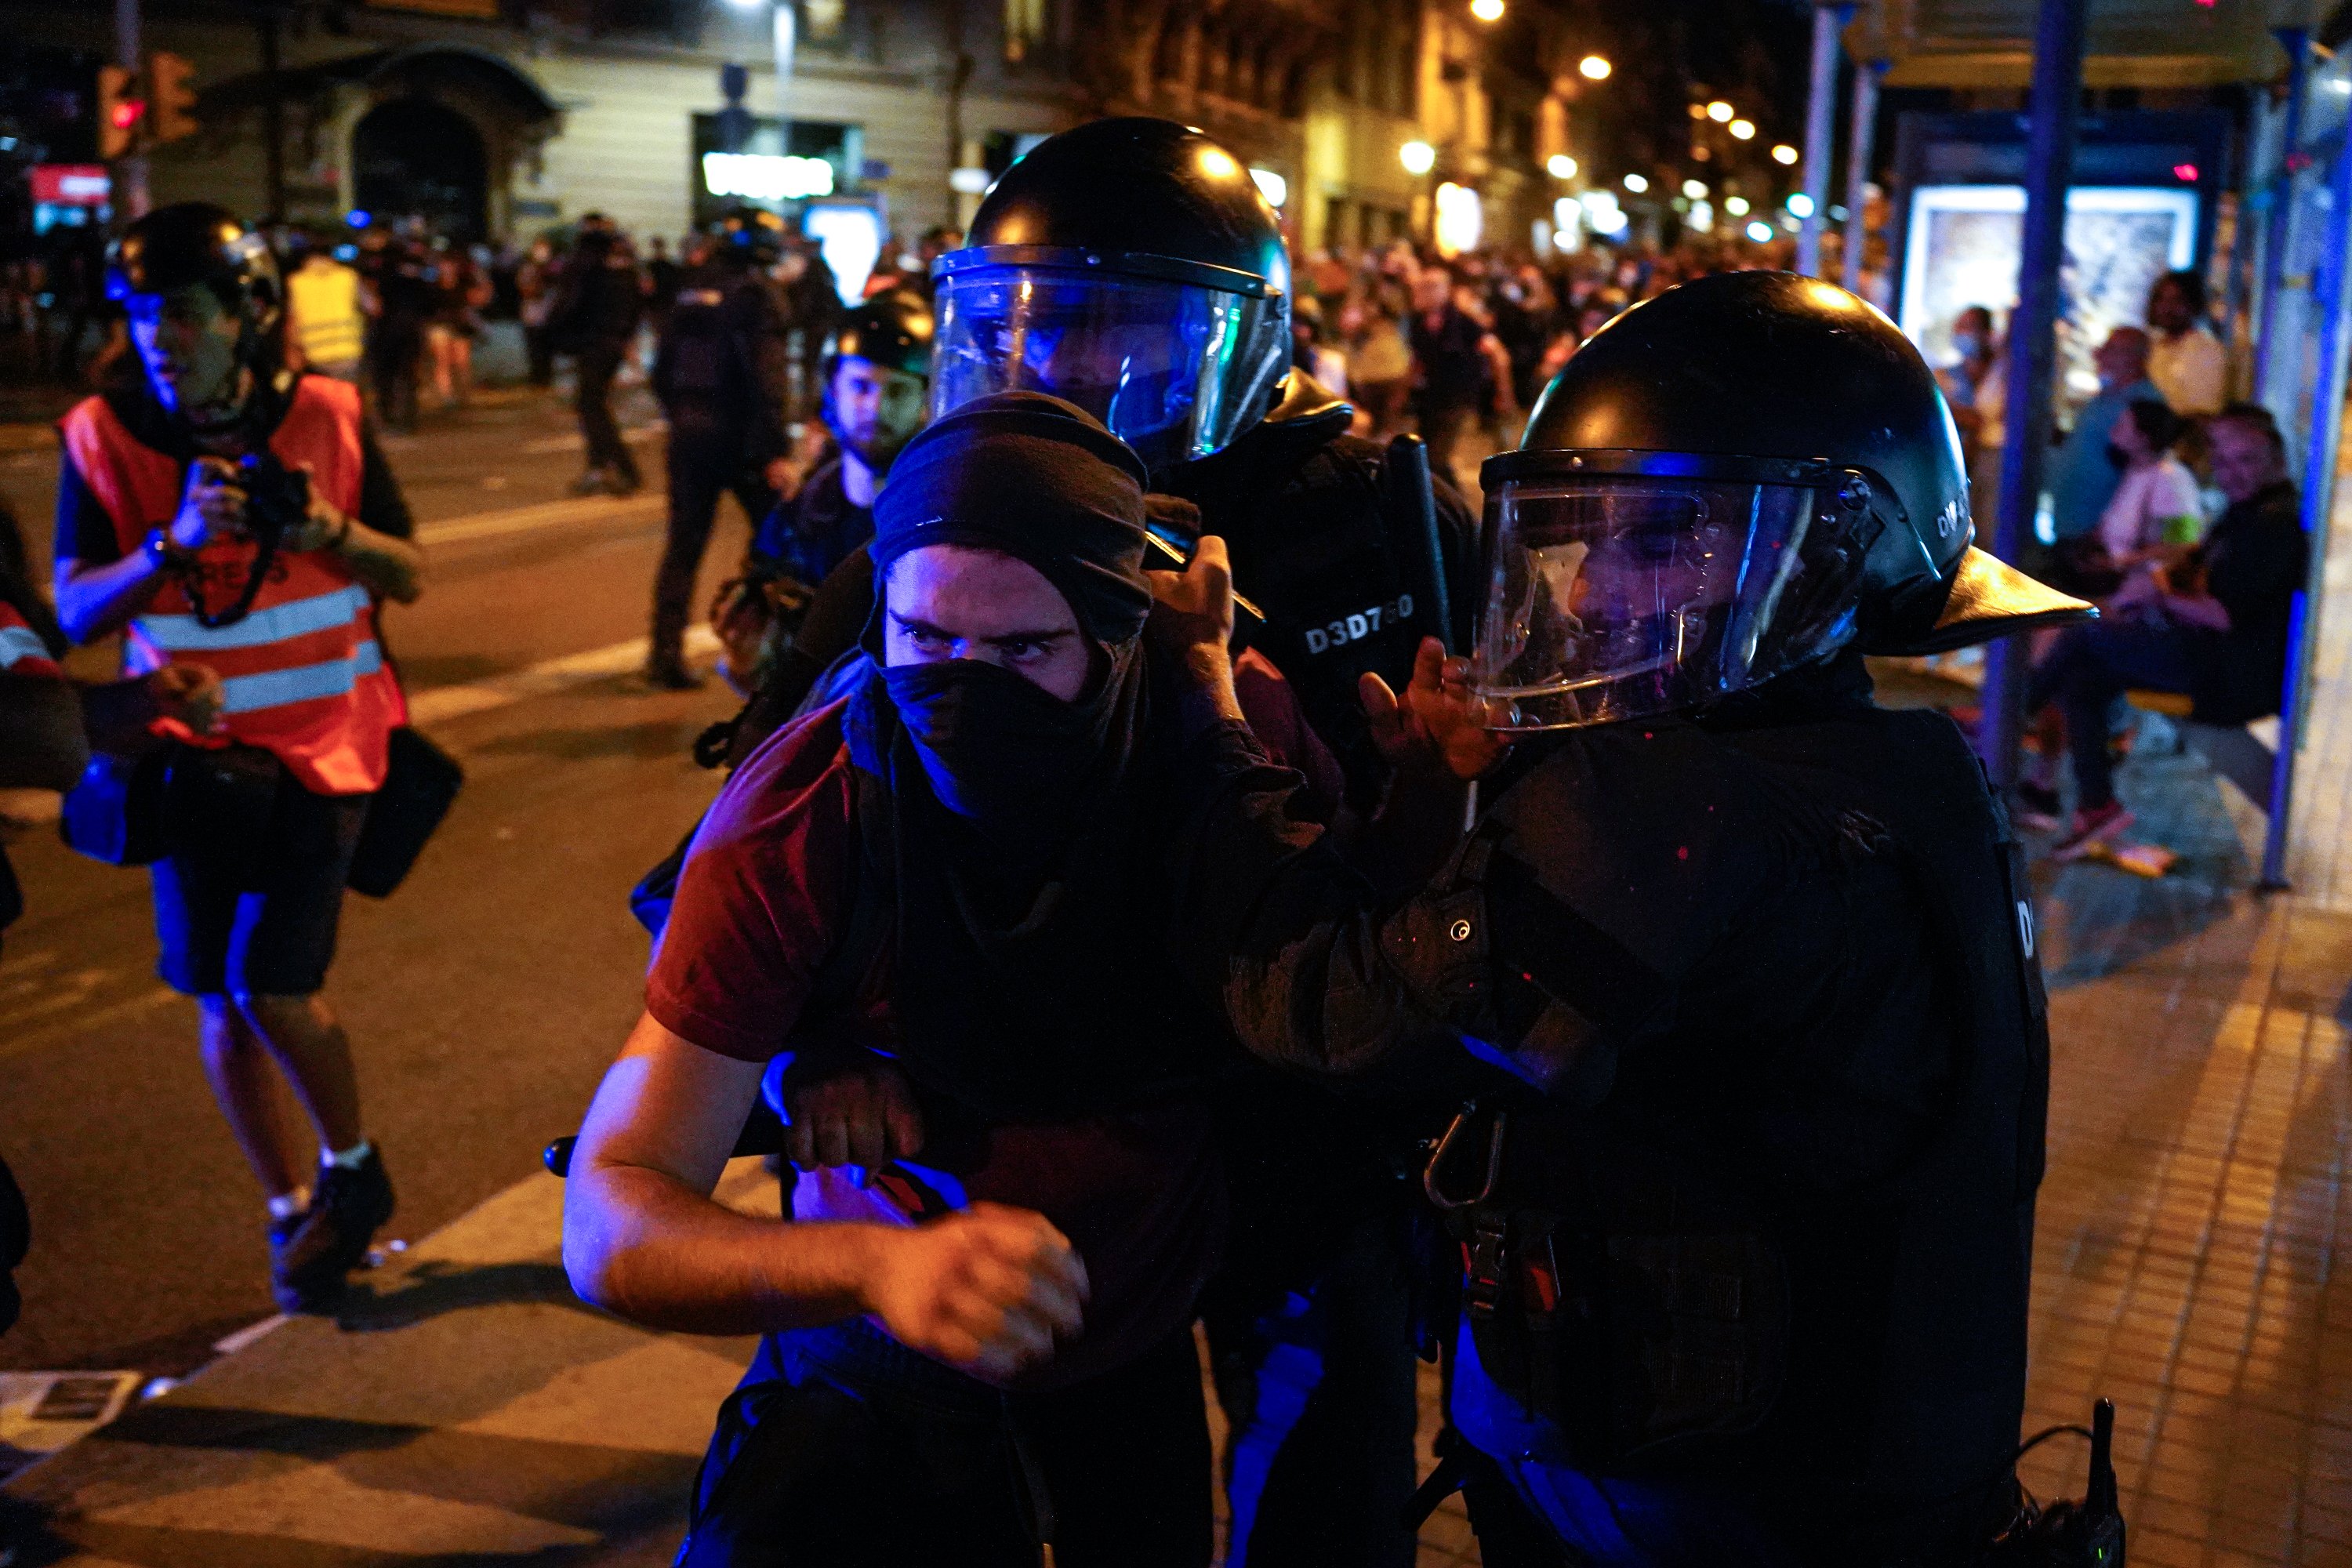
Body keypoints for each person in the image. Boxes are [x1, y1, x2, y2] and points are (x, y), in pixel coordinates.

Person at [1152, 270, 2093, 1567]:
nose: (1591, 594)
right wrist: (1445, 789)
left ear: (1827, 550)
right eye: (1576, 539)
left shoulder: (1663, 815)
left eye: (1661, 542)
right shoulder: (1907, 765)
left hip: (1700, 1507)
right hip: (1869, 1473)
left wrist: (1208, 709)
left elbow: (1316, 1006)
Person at [566, 392, 1345, 1566]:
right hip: (872, 1390)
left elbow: (1348, 977)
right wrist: (880, 1265)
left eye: (1023, 650)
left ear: (1118, 634)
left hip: (1132, 1377)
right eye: (925, 641)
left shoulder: (1230, 736)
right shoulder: (802, 813)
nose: (961, 689)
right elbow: (612, 1211)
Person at [50, 203, 426, 1315]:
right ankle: (288, 1205)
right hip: (191, 761)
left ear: (248, 316)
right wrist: (170, 541)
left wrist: (330, 535)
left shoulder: (329, 414)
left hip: (331, 749)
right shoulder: (99, 434)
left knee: (277, 983)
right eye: (142, 317)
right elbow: (72, 609)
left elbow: (407, 574)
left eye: (183, 316)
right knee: (218, 994)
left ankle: (354, 1170)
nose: (160, 340)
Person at [2024, 402, 2306, 852]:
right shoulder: (2247, 509)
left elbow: (2220, 608)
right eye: (2222, 458)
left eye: (2246, 459)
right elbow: (2196, 564)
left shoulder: (2267, 522)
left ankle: (2012, 716)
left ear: (2276, 458)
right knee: (2080, 672)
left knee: (2078, 630)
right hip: (2207, 653)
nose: (2230, 471)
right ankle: (2094, 804)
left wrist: (2153, 591)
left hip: (2224, 674)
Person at [644, 209, 798, 689]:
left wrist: (682, 415)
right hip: (743, 437)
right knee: (778, 544)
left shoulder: (689, 290)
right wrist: (775, 448)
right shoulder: (757, 295)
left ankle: (664, 654)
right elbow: (768, 379)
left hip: (689, 436)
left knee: (683, 547)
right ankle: (772, 653)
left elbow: (661, 368)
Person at [548, 213, 646, 496]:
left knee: (592, 407)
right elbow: (636, 306)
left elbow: (568, 304)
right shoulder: (624, 265)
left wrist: (556, 333)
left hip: (593, 344)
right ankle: (600, 467)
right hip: (611, 343)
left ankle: (622, 469)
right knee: (592, 405)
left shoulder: (585, 266)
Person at [2045, 327, 2158, 546]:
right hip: (2071, 522)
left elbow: (2139, 470)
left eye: (2111, 349)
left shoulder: (2144, 405)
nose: (2100, 354)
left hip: (2098, 533)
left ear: (2135, 357)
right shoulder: (2107, 395)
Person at [284, 234, 367, 383]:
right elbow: (372, 306)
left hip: (315, 356)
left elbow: (292, 321)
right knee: (347, 398)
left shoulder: (296, 282)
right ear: (331, 256)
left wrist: (292, 350)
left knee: (325, 400)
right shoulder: (348, 276)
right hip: (349, 352)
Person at [2145, 269, 2226, 417]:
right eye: (2161, 299)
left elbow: (2201, 411)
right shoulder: (2150, 346)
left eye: (2177, 300)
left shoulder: (2207, 351)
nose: (2167, 307)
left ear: (2193, 305)